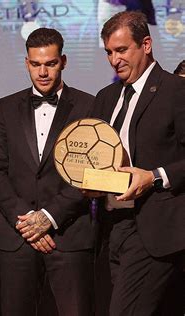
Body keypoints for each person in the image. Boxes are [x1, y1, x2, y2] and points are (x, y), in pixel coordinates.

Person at [0, 28, 95, 316]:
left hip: (69, 235)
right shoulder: (6, 106)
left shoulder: (89, 105)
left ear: (64, 61)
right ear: (26, 63)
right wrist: (27, 222)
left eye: (51, 63)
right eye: (35, 64)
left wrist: (48, 217)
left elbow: (91, 173)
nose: (42, 72)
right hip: (16, 236)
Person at [91, 11, 185, 315]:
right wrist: (90, 184)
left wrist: (155, 177)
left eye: (121, 50)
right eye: (108, 52)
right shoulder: (106, 97)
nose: (114, 60)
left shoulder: (175, 91)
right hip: (112, 227)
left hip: (153, 228)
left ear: (146, 44)